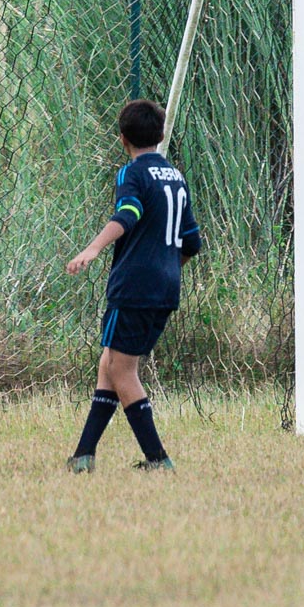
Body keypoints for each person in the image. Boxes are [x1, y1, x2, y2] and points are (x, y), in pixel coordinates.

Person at [64, 99, 201, 473]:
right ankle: (83, 456)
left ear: (122, 139)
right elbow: (192, 243)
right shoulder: (176, 177)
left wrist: (92, 249)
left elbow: (128, 214)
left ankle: (158, 460)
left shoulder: (132, 173)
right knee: (109, 364)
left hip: (134, 287)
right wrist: (167, 270)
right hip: (166, 287)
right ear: (160, 135)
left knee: (122, 370)